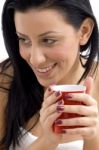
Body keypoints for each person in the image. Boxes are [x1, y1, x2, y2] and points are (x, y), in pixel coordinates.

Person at [0, 0, 99, 149]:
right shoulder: (7, 79)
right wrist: (48, 141)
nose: (35, 59)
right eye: (24, 39)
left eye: (48, 40)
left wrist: (93, 139)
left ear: (84, 31)